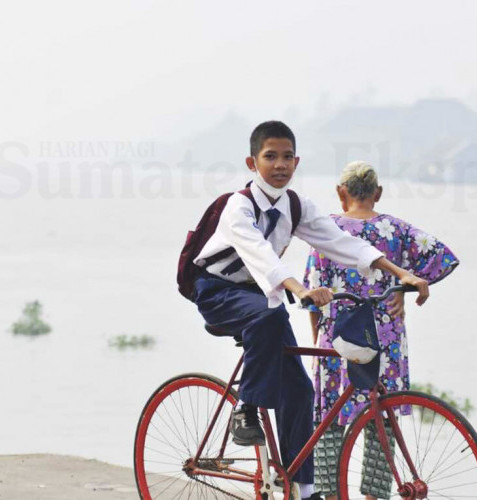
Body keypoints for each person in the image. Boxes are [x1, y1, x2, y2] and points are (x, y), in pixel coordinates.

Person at [191, 123, 430, 500]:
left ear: (297, 161)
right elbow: (261, 255)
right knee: (269, 317)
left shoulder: (295, 206)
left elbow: (340, 242)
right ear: (252, 162)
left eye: (287, 157)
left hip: (260, 295)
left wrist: (400, 273)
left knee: (301, 392)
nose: (280, 164)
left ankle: (303, 489)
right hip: (218, 291)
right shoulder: (239, 205)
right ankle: (244, 408)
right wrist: (300, 289)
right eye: (270, 156)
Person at [303, 161, 459, 500]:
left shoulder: (328, 231)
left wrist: (316, 337)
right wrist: (403, 288)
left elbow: (314, 294)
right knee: (381, 419)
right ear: (378, 193)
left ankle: (331, 496)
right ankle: (374, 497)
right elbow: (441, 257)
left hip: (338, 338)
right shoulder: (397, 230)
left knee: (329, 421)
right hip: (384, 338)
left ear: (340, 193)